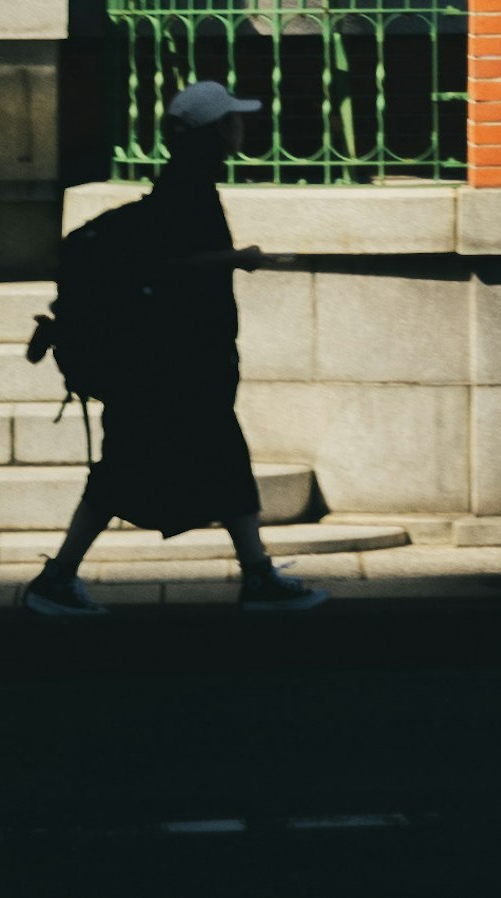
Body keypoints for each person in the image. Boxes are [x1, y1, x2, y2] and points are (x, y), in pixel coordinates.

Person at [24, 80, 323, 618]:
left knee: (209, 460)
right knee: (134, 469)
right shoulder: (188, 189)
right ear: (216, 130)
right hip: (171, 364)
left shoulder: (187, 184)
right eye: (233, 119)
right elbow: (164, 266)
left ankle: (255, 573)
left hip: (178, 361)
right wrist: (238, 258)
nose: (242, 126)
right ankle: (57, 578)